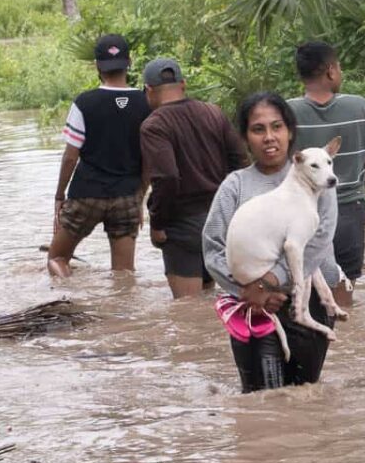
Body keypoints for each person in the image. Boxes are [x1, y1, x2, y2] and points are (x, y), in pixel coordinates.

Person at [203, 92, 341, 392]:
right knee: (262, 399)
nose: (269, 137)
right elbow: (213, 247)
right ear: (245, 138)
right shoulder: (235, 186)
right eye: (258, 129)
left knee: (301, 395)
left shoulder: (319, 176)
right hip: (252, 303)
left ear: (290, 132)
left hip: (309, 299)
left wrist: (271, 281)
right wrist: (247, 290)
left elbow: (318, 242)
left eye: (277, 127)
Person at [139, 57, 247, 298]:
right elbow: (240, 161)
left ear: (148, 90)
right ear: (184, 84)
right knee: (209, 304)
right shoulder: (213, 112)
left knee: (187, 312)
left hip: (182, 225)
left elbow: (166, 177)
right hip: (220, 221)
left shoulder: (154, 125)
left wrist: (157, 223)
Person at [288, 41, 365, 308]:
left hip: (301, 214)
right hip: (349, 211)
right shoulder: (360, 107)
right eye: (339, 67)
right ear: (331, 71)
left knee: (301, 286)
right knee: (344, 295)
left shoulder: (286, 113)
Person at [47, 34, 151, 277]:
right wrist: (140, 197)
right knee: (124, 273)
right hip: (127, 195)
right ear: (130, 62)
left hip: (86, 195)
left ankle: (69, 301)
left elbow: (71, 157)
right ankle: (124, 311)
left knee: (57, 258)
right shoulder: (145, 103)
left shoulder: (84, 103)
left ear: (96, 66)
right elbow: (149, 160)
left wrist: (60, 195)